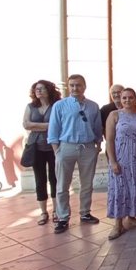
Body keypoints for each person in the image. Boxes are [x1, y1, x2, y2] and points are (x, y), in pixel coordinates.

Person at [47, 74, 103, 234]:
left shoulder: (93, 106)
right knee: (62, 184)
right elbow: (53, 130)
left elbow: (98, 127)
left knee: (87, 183)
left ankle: (85, 213)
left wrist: (98, 145)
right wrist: (57, 150)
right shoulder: (60, 106)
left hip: (87, 147)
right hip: (66, 147)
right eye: (71, 85)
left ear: (84, 86)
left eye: (78, 85)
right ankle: (63, 217)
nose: (74, 88)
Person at [105, 88, 136, 239]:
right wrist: (112, 161)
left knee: (135, 187)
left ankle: (131, 217)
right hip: (121, 158)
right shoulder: (114, 115)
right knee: (119, 190)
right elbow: (110, 140)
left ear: (135, 98)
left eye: (130, 97)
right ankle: (117, 225)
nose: (127, 100)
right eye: (124, 98)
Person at [23, 80, 61, 225]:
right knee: (40, 180)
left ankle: (56, 211)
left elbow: (60, 125)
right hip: (35, 148)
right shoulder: (30, 106)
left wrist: (37, 126)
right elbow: (26, 124)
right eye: (36, 89)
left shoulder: (56, 105)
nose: (39, 91)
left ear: (49, 90)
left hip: (54, 147)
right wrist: (50, 126)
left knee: (55, 179)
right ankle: (43, 212)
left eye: (42, 88)